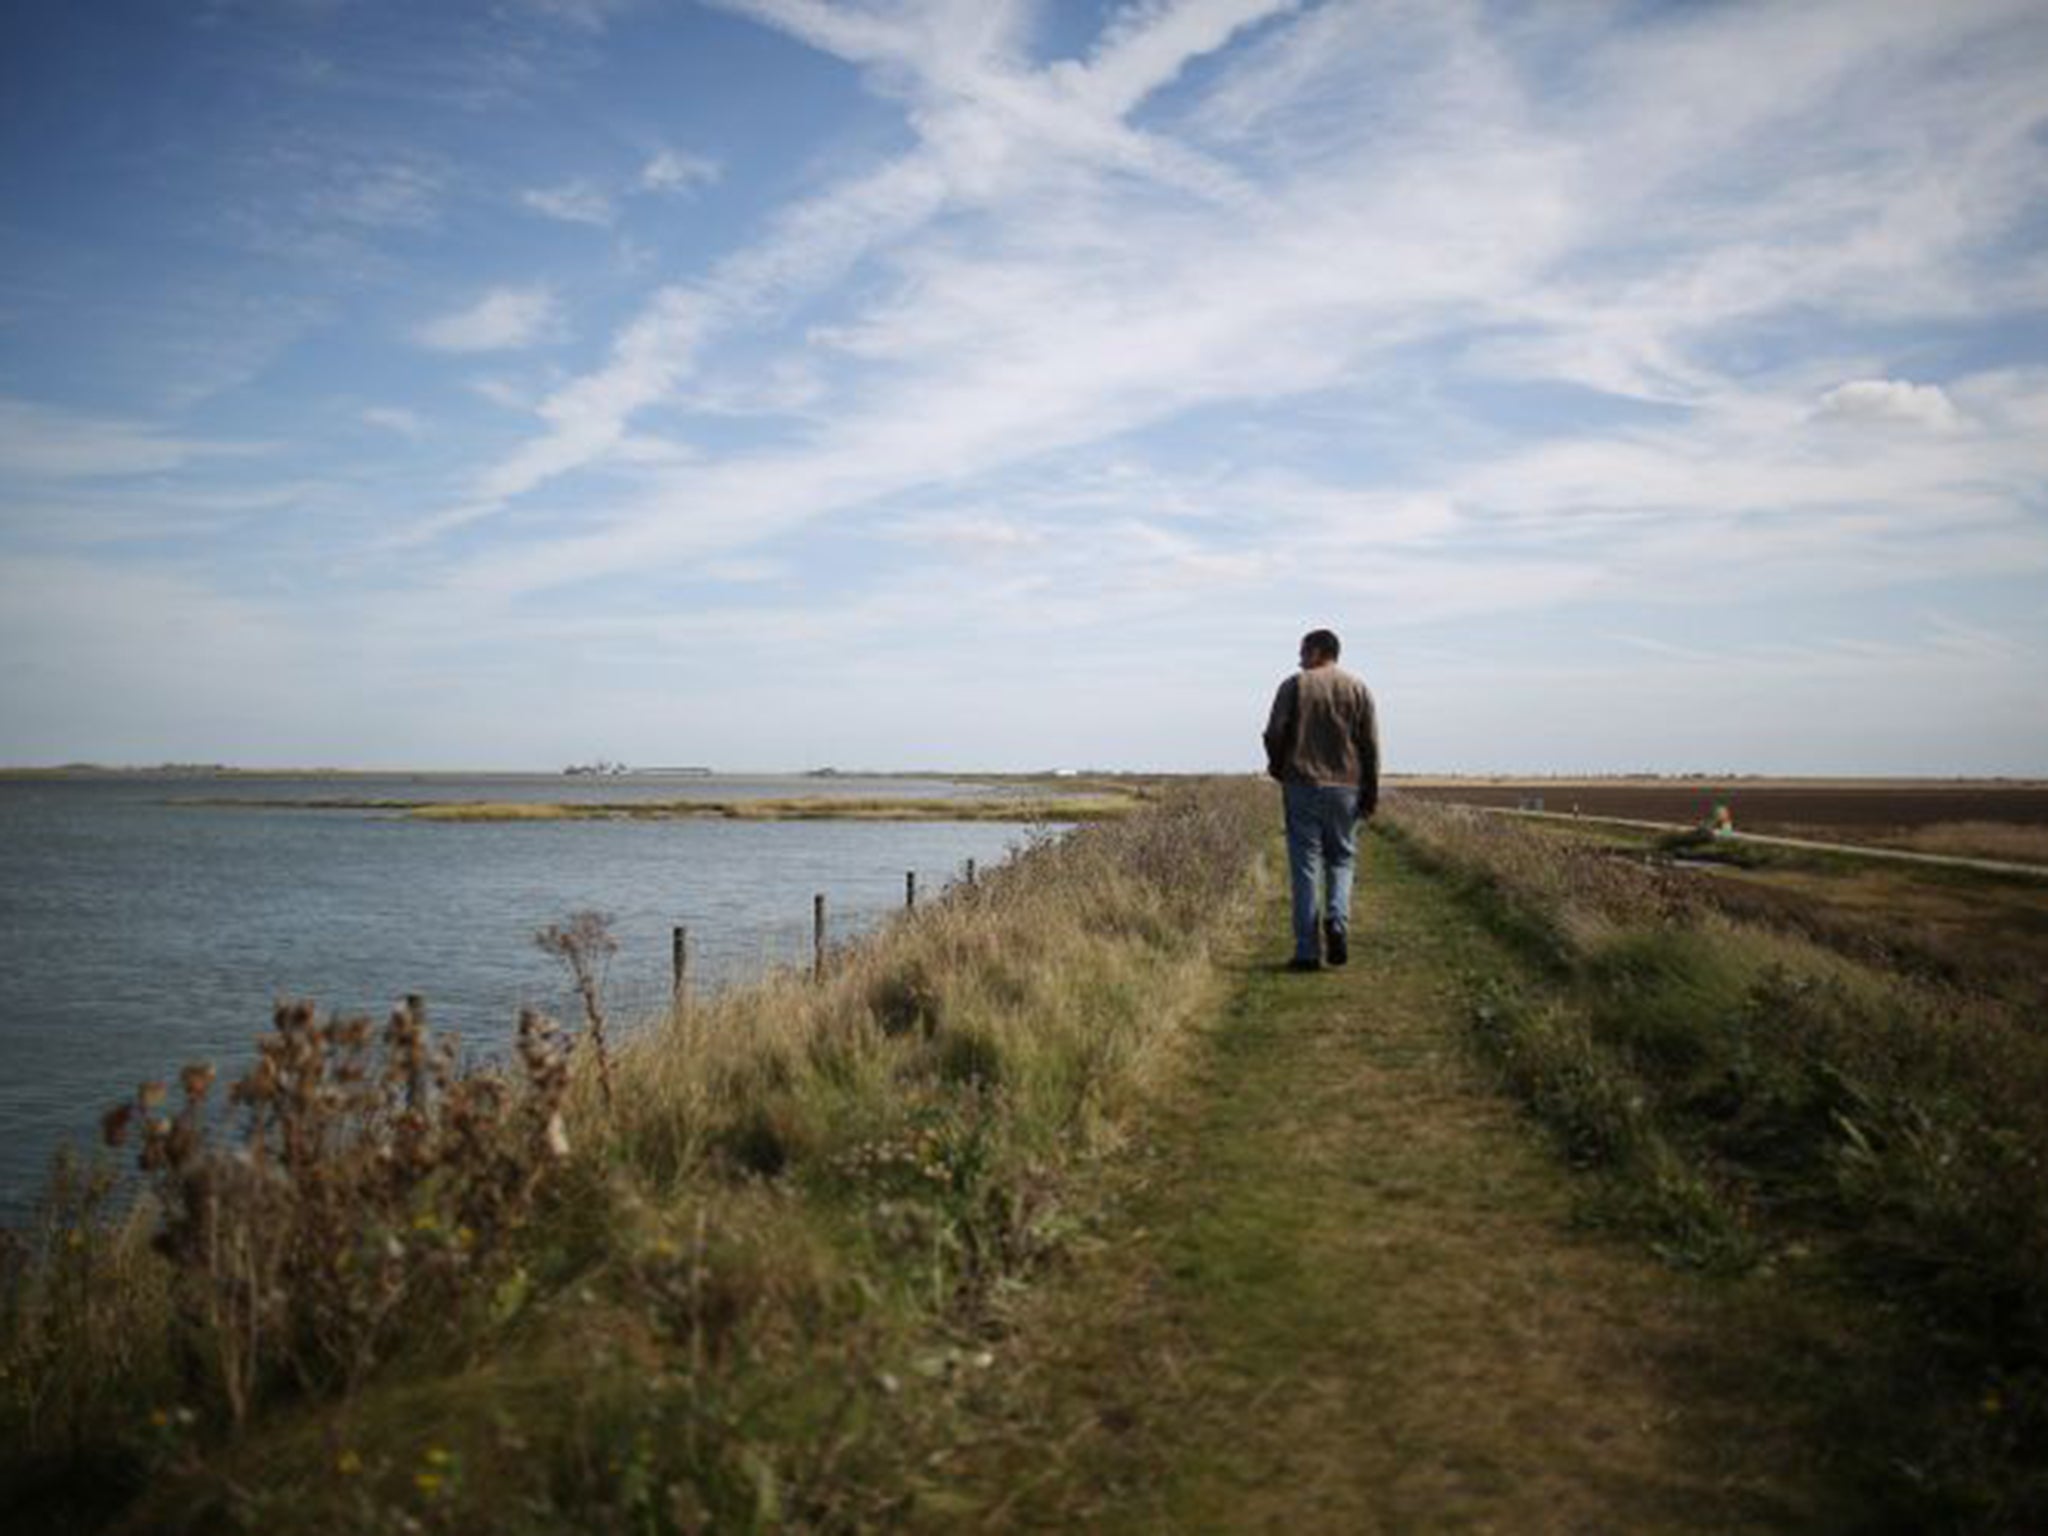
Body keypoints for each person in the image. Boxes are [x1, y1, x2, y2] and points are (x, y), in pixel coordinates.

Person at [1262, 628, 1379, 971]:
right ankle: (1337, 922)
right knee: (1342, 859)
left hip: (1301, 784)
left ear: (1317, 651)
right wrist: (1370, 791)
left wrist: (1279, 766)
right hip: (1346, 786)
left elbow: (1273, 733)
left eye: (1302, 651)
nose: (1299, 658)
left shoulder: (1294, 685)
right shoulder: (1358, 688)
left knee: (1305, 868)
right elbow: (1369, 746)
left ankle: (1307, 952)